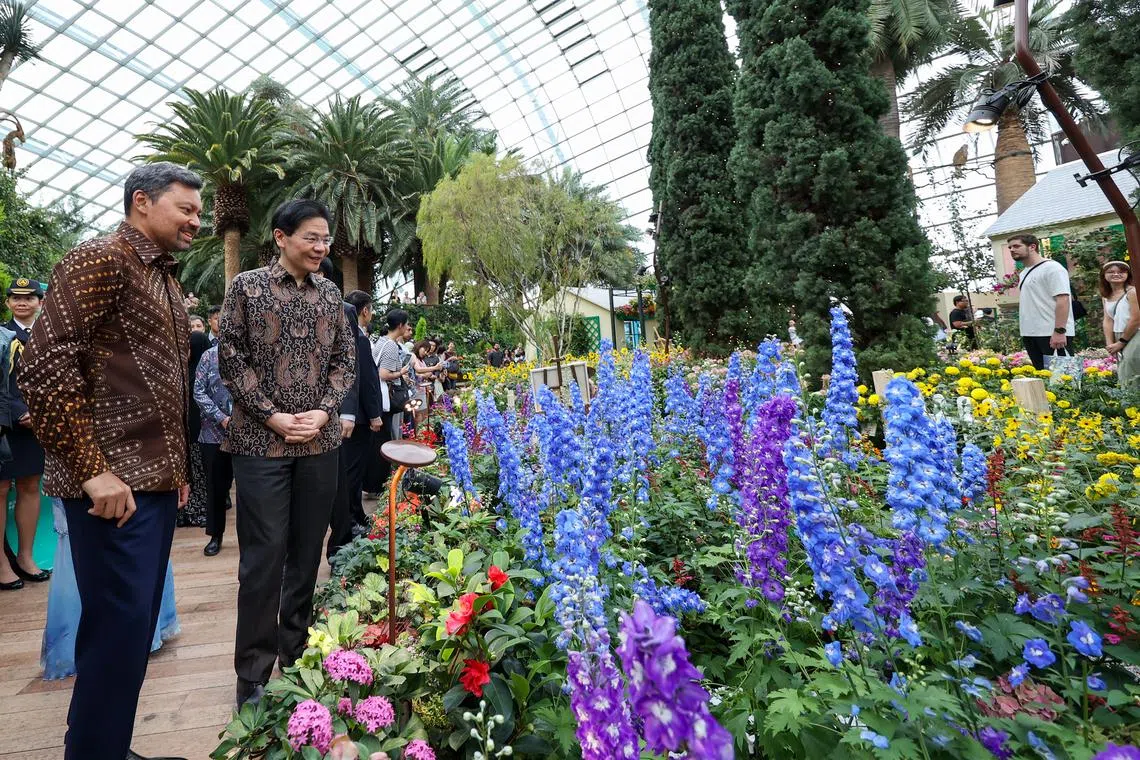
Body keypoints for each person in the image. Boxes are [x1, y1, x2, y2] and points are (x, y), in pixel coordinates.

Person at [20, 161, 202, 760]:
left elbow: (160, 384)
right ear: (141, 202)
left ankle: (105, 746)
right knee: (117, 634)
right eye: (186, 208)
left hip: (147, 486)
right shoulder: (100, 259)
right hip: (112, 490)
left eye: (199, 211)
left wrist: (174, 473)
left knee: (128, 633)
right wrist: (94, 468)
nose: (195, 221)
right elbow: (44, 368)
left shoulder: (161, 277)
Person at [219, 199, 355, 708]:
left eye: (325, 240)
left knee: (306, 553)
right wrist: (271, 415)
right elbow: (229, 358)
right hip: (260, 444)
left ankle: (295, 653)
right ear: (281, 237)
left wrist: (323, 411)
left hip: (319, 443)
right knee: (263, 558)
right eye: (311, 238)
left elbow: (344, 361)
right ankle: (251, 673)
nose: (321, 248)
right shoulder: (247, 288)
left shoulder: (332, 295)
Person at [1, 277, 50, 590]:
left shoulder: (49, 334)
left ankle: (26, 557)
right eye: (16, 298)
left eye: (29, 298)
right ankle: (1, 563)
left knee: (30, 485)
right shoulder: (2, 335)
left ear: (40, 301)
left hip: (39, 424)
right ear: (8, 303)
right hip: (6, 424)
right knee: (1, 489)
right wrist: (19, 412)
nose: (22, 302)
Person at [328, 290, 384, 561]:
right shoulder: (357, 340)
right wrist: (373, 414)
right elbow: (366, 381)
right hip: (356, 419)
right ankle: (348, 522)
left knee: (352, 473)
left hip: (354, 416)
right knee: (351, 473)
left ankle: (354, 515)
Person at [1009, 234, 1074, 371]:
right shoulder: (1023, 273)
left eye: (1016, 246)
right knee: (1043, 379)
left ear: (1032, 247)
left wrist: (1059, 331)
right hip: (1030, 333)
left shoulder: (1052, 268)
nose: (1012, 250)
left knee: (1063, 381)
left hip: (1051, 333)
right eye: (1010, 247)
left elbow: (1063, 299)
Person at [193, 340, 234, 557]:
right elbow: (198, 392)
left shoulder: (249, 353)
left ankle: (253, 539)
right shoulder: (209, 356)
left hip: (247, 436)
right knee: (216, 489)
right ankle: (215, 536)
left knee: (251, 491)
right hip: (212, 435)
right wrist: (221, 418)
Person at [179, 331, 211, 529]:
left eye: (189, 346)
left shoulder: (206, 369)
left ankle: (200, 511)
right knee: (187, 475)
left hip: (201, 432)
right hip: (184, 433)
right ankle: (185, 513)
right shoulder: (181, 370)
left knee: (200, 475)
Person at [1100, 260, 1140, 389]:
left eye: (1121, 271)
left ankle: (1133, 403)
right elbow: (1108, 320)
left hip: (1135, 334)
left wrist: (1121, 342)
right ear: (1104, 275)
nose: (1116, 274)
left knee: (1130, 367)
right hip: (1119, 336)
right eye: (1111, 272)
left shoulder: (1132, 292)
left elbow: (1136, 318)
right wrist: (1110, 343)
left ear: (1128, 274)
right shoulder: (1106, 296)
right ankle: (1129, 404)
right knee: (1123, 370)